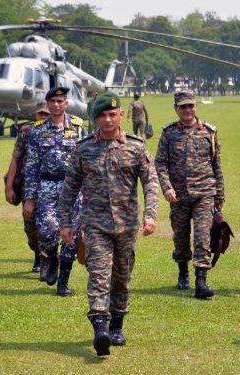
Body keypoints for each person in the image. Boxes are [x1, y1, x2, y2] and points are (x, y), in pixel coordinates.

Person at [59, 91, 158, 356]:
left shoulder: (136, 147)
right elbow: (69, 189)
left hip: (126, 226)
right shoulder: (83, 149)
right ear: (95, 118)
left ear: (121, 115)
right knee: (98, 275)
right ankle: (100, 327)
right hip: (95, 225)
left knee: (122, 278)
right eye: (102, 115)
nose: (107, 120)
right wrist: (66, 223)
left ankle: (116, 325)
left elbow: (150, 183)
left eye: (112, 114)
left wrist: (150, 215)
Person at [154, 90, 224, 299]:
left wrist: (219, 195)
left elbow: (216, 165)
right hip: (178, 195)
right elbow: (160, 163)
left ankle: (201, 280)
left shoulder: (209, 132)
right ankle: (183, 271)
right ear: (176, 109)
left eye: (191, 106)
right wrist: (166, 187)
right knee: (181, 237)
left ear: (195, 107)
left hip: (204, 193)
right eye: (183, 106)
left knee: (202, 236)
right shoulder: (169, 133)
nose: (187, 110)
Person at [23, 86, 84, 295]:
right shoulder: (37, 131)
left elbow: (85, 160)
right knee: (47, 231)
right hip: (46, 187)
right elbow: (31, 166)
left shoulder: (78, 127)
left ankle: (63, 283)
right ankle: (51, 258)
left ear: (66, 104)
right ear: (47, 105)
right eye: (53, 102)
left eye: (60, 102)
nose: (56, 105)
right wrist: (29, 198)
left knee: (72, 235)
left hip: (73, 187)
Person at [5, 102, 49, 273]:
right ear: (35, 115)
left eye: (46, 114)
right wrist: (9, 186)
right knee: (30, 226)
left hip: (51, 185)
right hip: (28, 186)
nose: (43, 117)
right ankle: (37, 253)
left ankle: (47, 259)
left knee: (49, 225)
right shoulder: (26, 132)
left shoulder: (61, 132)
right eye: (41, 114)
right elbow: (15, 159)